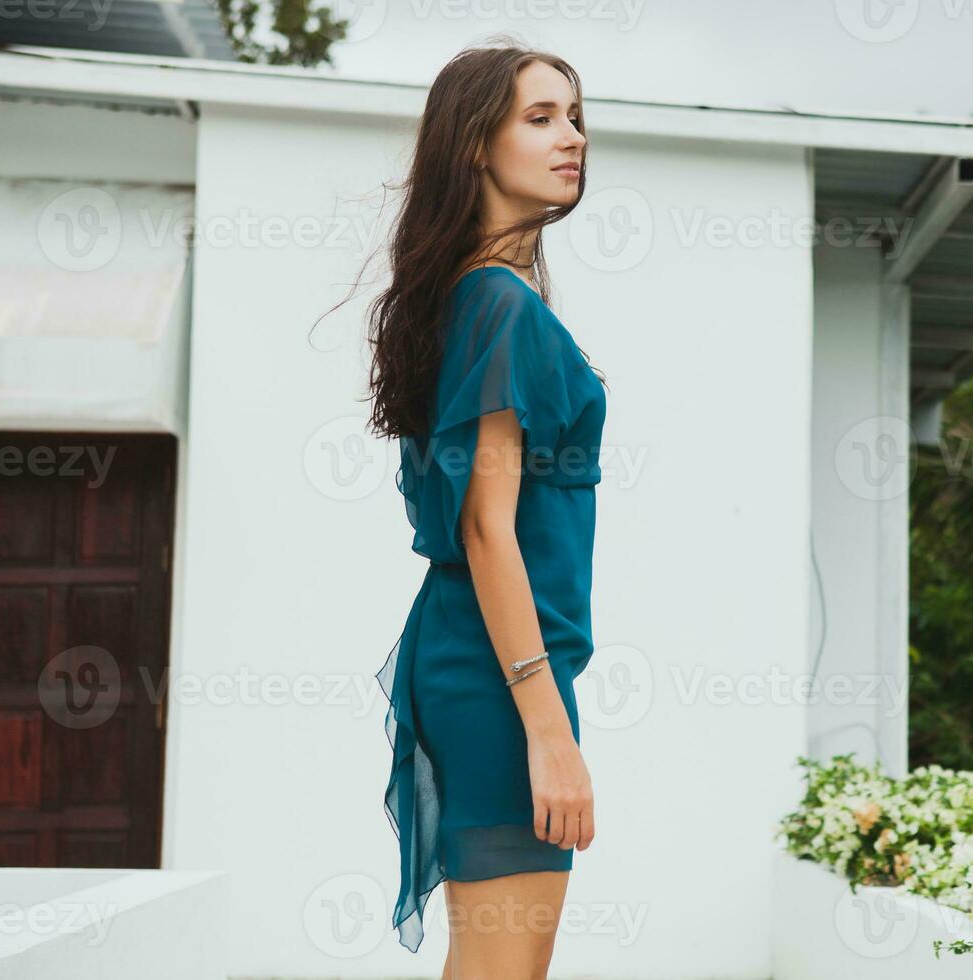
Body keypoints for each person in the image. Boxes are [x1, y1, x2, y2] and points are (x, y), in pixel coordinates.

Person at [362, 36, 609, 980]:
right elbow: (483, 527)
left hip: (483, 662)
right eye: (541, 118)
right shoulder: (500, 306)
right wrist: (549, 733)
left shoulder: (472, 297)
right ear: (475, 144)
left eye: (576, 116)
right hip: (507, 680)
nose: (572, 137)